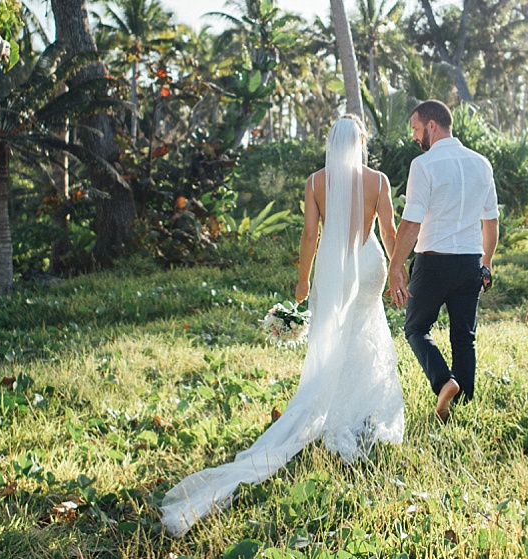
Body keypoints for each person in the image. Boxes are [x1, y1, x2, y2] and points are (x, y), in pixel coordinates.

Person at [161, 115, 404, 536]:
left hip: (332, 264)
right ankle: (363, 417)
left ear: (331, 143)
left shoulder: (316, 182)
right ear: (360, 143)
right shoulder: (378, 180)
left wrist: (303, 277)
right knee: (365, 333)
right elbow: (389, 231)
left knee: (334, 337)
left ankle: (335, 413)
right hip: (368, 265)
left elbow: (311, 234)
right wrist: (398, 272)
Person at [388, 100, 499, 423]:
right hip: (469, 263)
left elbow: (411, 223)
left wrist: (396, 266)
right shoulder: (481, 163)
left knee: (416, 328)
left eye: (415, 129)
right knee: (464, 336)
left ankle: (444, 381)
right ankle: (463, 402)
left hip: (433, 262)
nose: (414, 136)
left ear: (432, 126)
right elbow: (490, 221)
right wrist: (486, 262)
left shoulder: (424, 165)